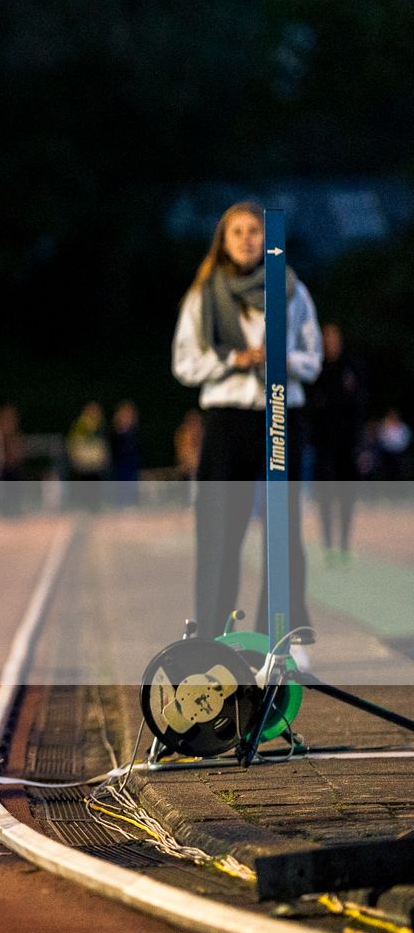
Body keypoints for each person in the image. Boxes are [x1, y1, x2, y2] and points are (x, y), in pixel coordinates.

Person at [173, 201, 319, 658]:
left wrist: (281, 359)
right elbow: (184, 363)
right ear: (223, 239)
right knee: (219, 530)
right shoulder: (204, 294)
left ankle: (279, 638)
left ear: (268, 239)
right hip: (228, 418)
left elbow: (313, 360)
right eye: (236, 231)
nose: (246, 239)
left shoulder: (292, 290)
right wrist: (236, 359)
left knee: (284, 530)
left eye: (254, 231)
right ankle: (211, 640)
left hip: (280, 413)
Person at [307, 323, 364, 566]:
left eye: (334, 338)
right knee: (326, 499)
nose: (331, 343)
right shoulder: (316, 370)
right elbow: (308, 408)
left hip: (347, 447)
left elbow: (360, 406)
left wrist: (360, 445)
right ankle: (328, 545)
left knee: (347, 498)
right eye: (326, 339)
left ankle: (344, 545)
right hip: (323, 449)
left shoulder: (351, 368)